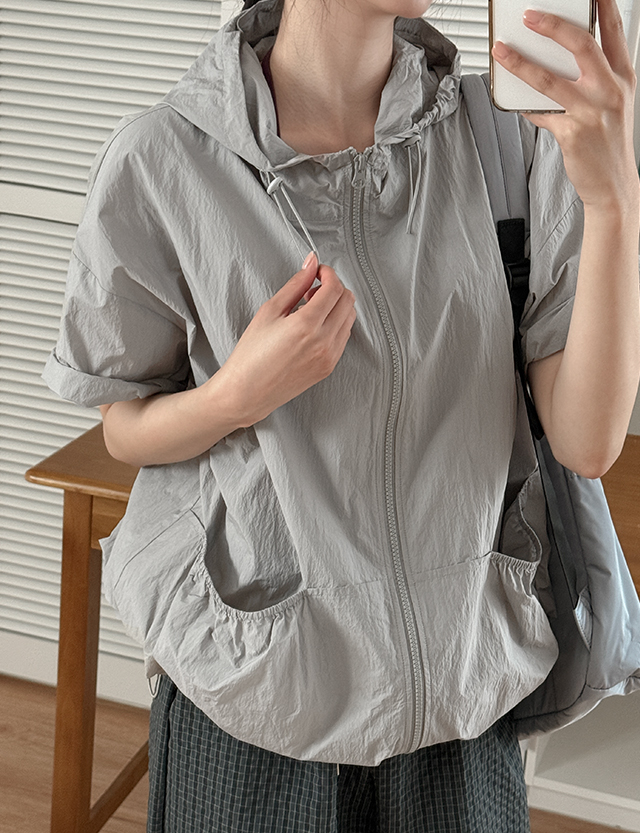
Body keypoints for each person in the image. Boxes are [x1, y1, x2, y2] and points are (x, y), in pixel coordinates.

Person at [42, 0, 639, 829]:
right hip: (254, 698)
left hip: (460, 702)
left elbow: (587, 441)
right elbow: (124, 425)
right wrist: (235, 395)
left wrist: (615, 202)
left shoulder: (507, 140)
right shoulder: (163, 157)